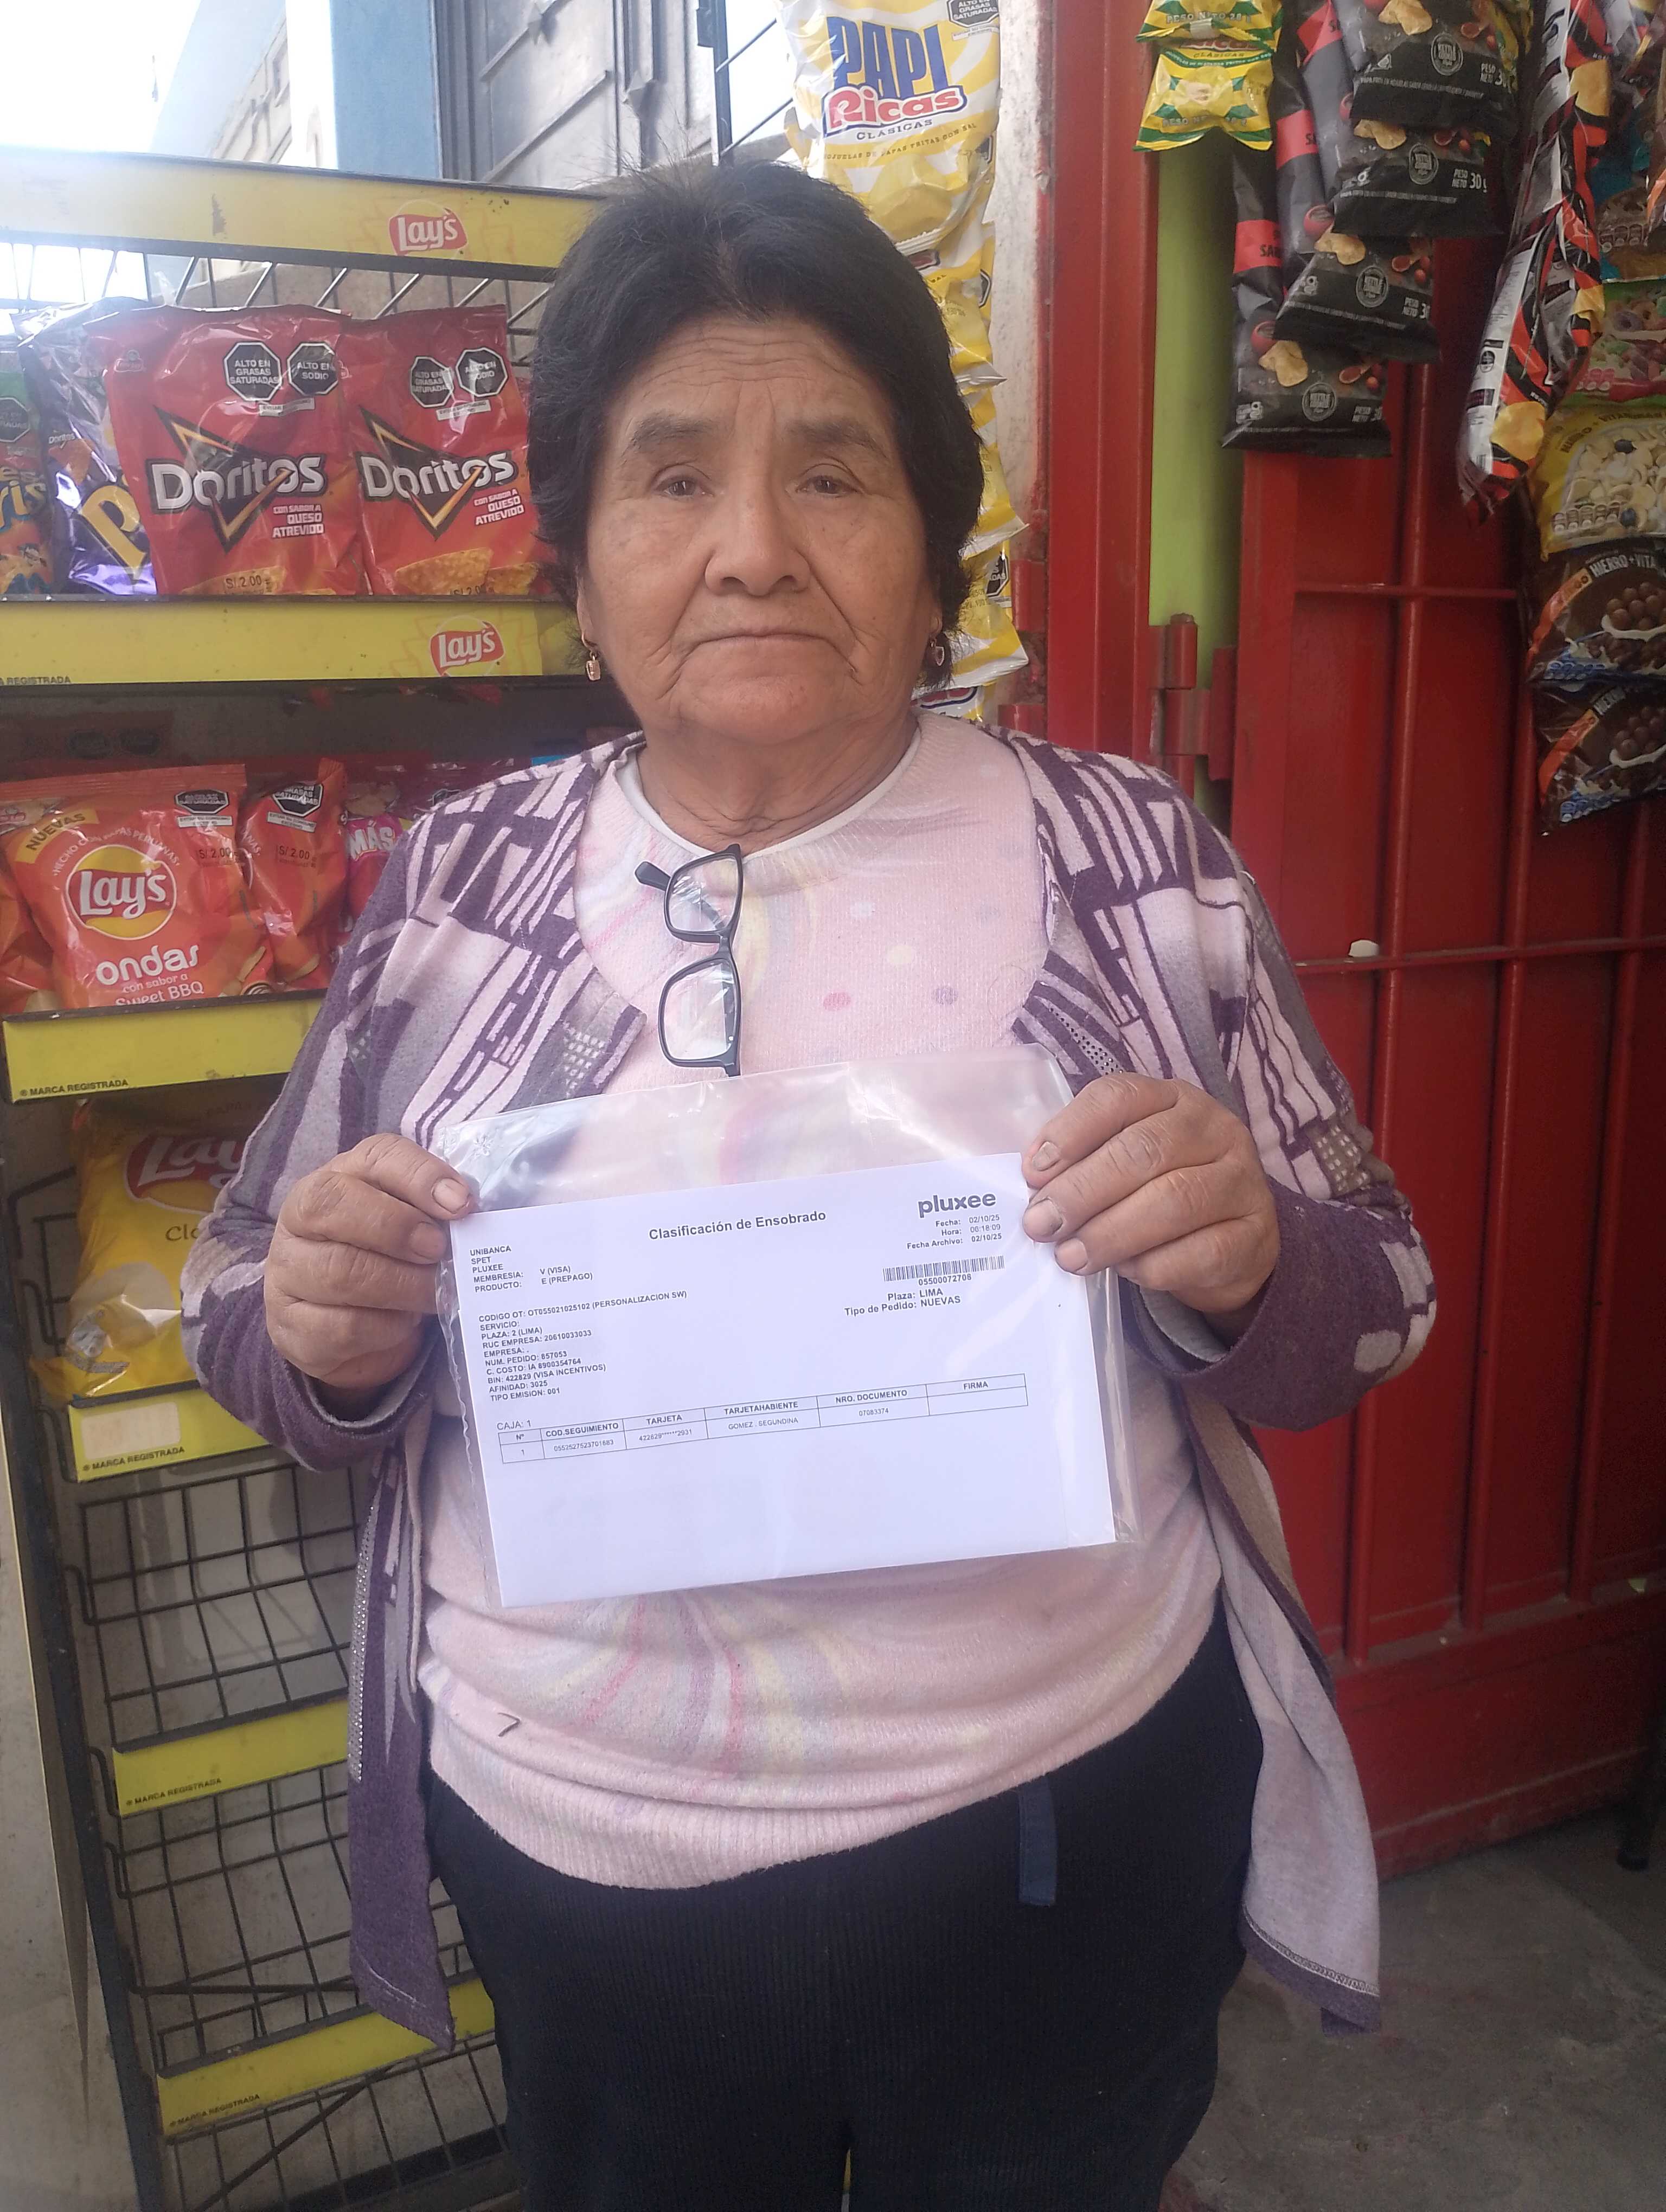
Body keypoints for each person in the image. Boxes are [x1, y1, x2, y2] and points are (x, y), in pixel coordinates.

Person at [184, 162, 1434, 2212]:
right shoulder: (460, 888)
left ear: (936, 550)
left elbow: (1374, 1301)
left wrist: (1249, 1259)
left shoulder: (1132, 861)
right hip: (594, 1868)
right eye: (672, 478)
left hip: (1063, 1829)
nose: (754, 548)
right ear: (578, 565)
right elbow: (244, 1302)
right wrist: (327, 1336)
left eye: (834, 474)